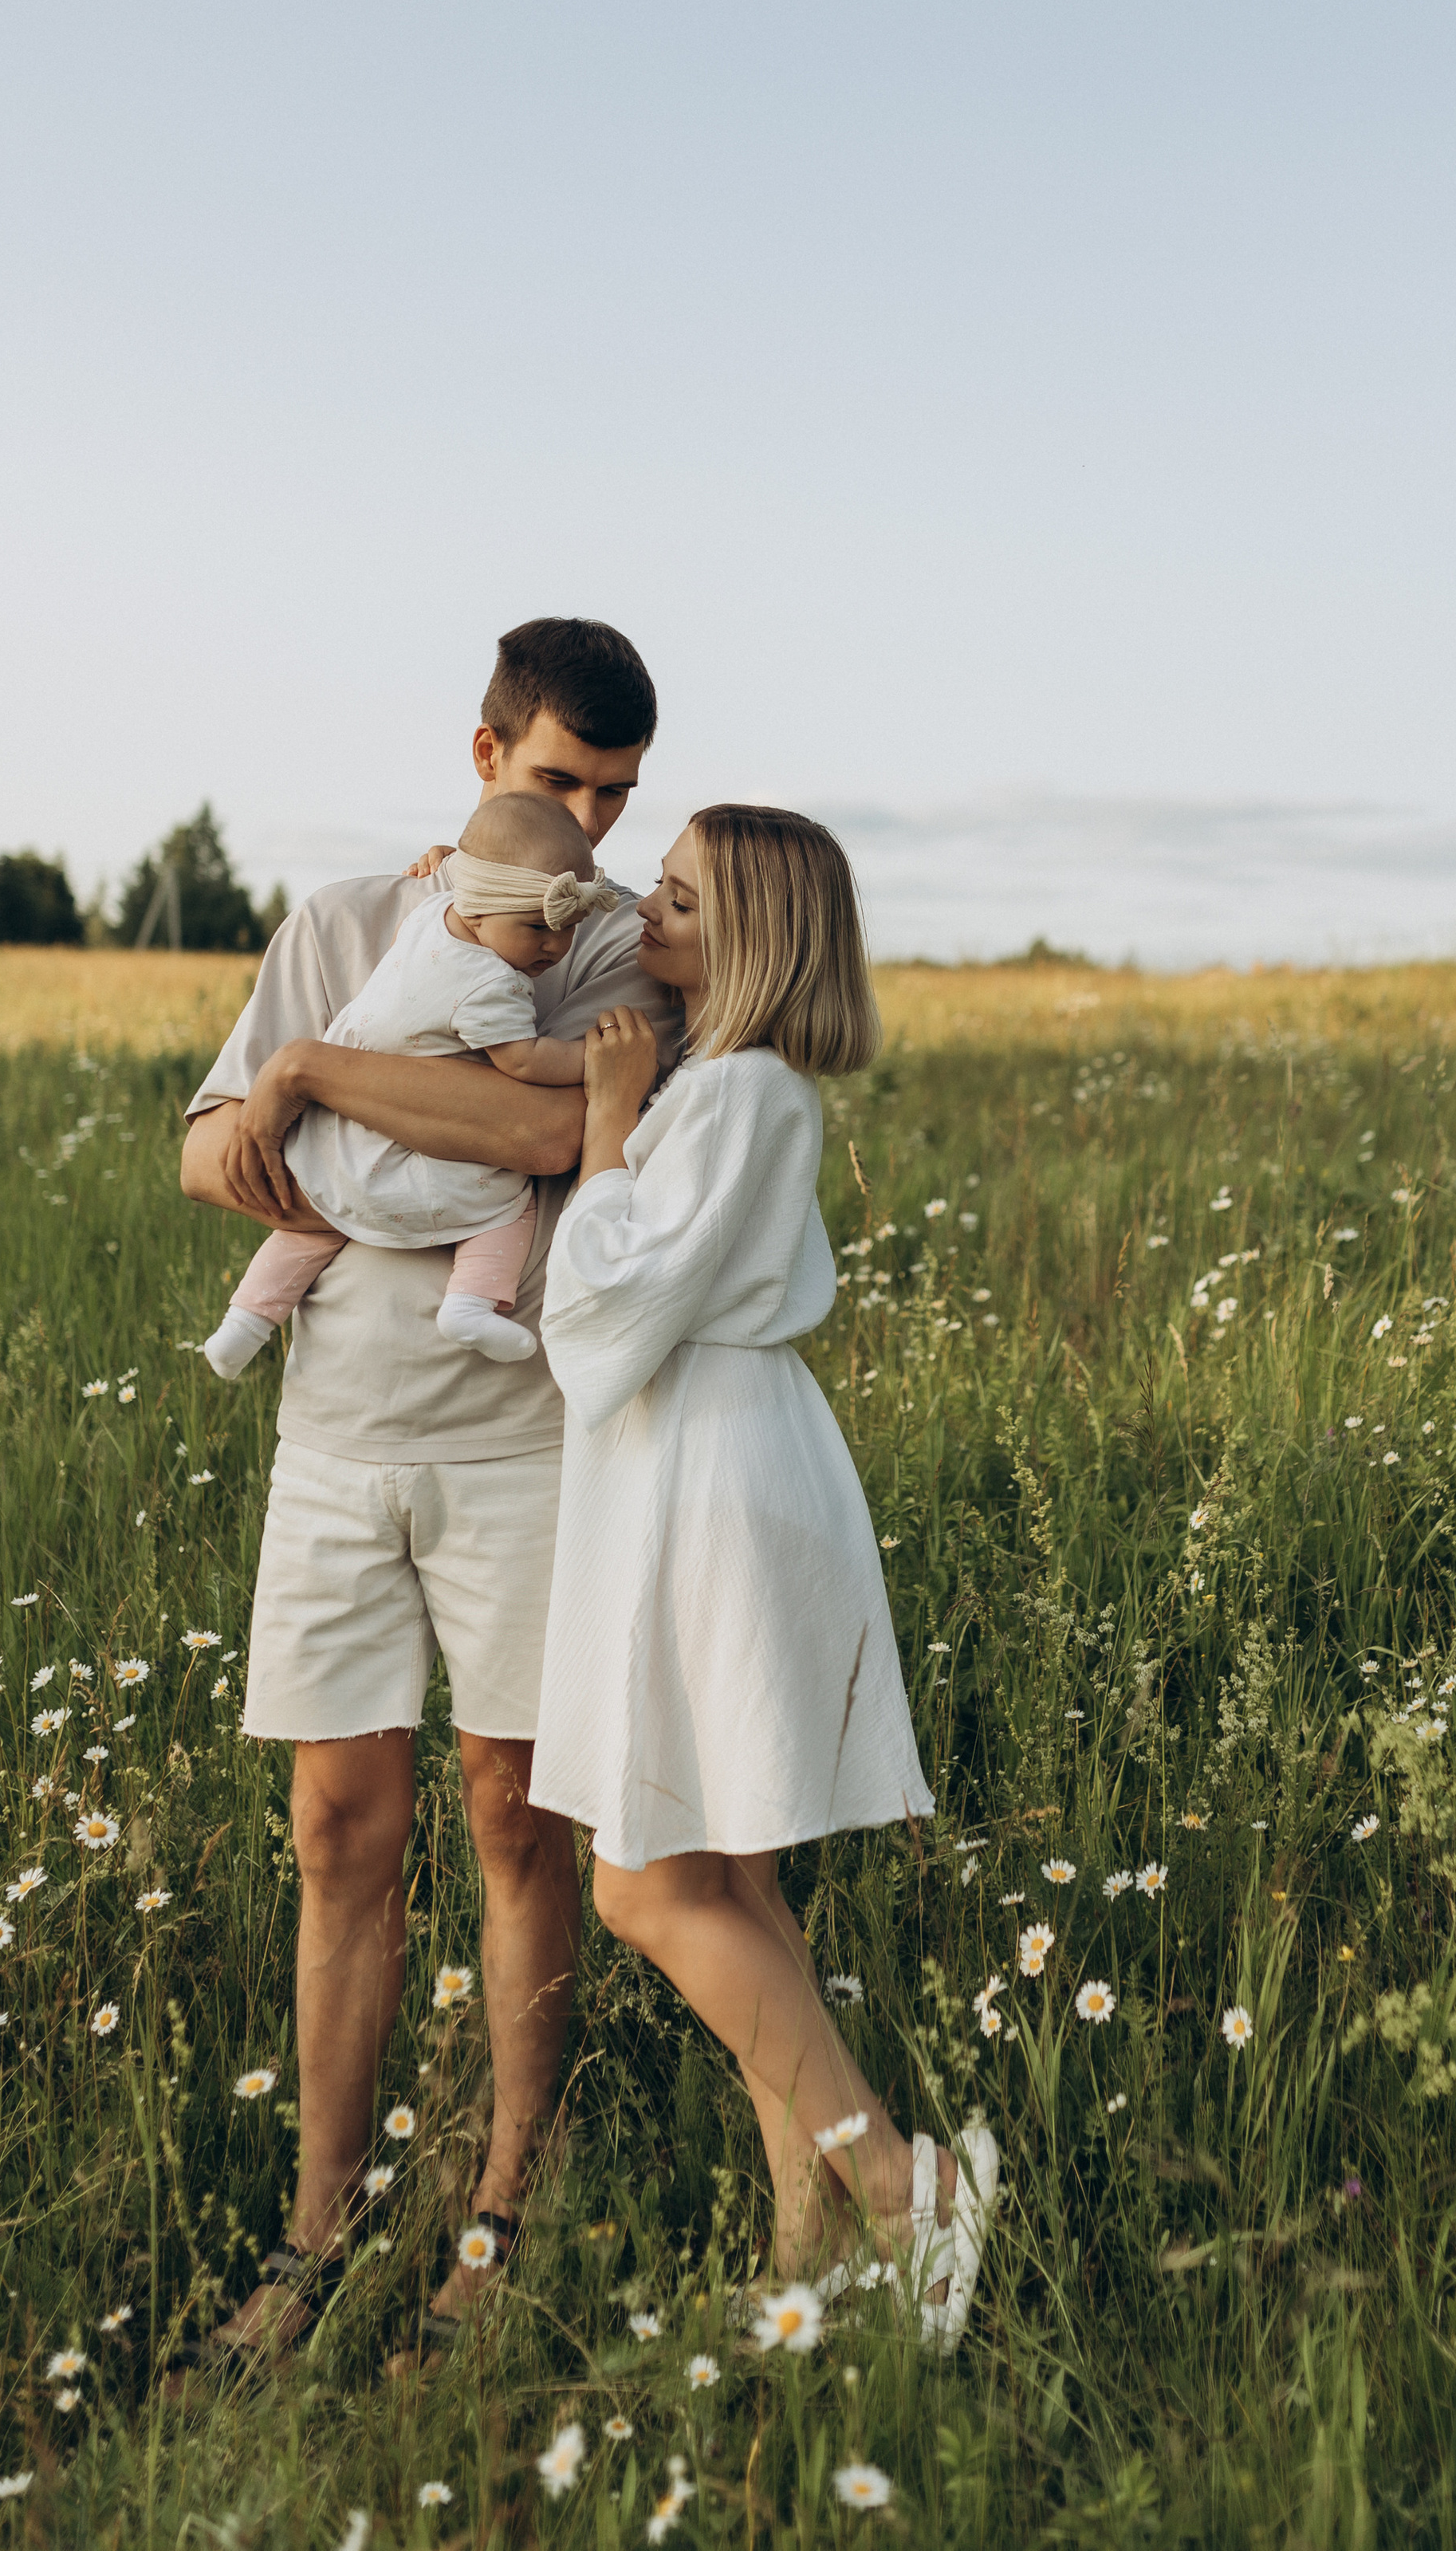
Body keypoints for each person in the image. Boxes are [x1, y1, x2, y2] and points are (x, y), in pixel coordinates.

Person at [176, 616, 677, 2365]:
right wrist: (293, 1117)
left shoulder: (620, 947)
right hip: (337, 1440)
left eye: (617, 795)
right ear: (484, 759)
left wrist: (321, 1093)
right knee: (337, 1829)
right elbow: (203, 1143)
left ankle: (499, 2221)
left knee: (515, 1814)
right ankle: (319, 2237)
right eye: (560, 785)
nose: (595, 830)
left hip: (523, 1435)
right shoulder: (337, 923)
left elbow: (550, 1140)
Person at [529, 805, 999, 2354]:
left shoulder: (730, 1095)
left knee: (643, 1883)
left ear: (752, 939)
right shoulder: (737, 1090)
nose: (647, 921)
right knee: (727, 1874)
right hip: (715, 1462)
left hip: (704, 1474)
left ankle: (899, 2187)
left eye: (676, 903)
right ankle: (809, 2232)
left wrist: (604, 1125)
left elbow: (607, 1317)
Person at [202, 791, 620, 1380]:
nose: (554, 947)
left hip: (335, 1125)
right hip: (405, 1137)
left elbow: (464, 891)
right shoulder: (490, 986)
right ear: (478, 908)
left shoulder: (429, 918)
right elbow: (524, 1063)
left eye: (568, 929)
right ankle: (471, 1303)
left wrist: (451, 859)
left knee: (314, 1222)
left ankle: (243, 1323)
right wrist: (590, 1060)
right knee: (506, 1206)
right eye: (537, 928)